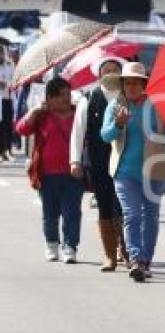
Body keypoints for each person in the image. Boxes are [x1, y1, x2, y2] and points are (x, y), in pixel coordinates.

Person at [101, 62, 165, 283]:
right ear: (121, 85)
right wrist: (118, 124)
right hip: (125, 171)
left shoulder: (158, 105)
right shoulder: (115, 106)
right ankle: (136, 259)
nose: (130, 87)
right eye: (126, 83)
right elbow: (105, 136)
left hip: (155, 169)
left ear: (144, 84)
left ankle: (146, 259)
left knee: (151, 216)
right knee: (132, 215)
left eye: (135, 83)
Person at [16, 77, 85, 263]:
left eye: (68, 94)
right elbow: (21, 129)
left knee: (72, 212)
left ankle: (70, 247)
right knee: (50, 214)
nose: (66, 98)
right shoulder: (41, 116)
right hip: (46, 175)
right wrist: (34, 110)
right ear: (49, 98)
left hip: (73, 173)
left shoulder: (79, 114)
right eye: (61, 95)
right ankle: (52, 244)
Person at [70, 56, 129, 272]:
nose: (111, 73)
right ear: (99, 75)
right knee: (105, 204)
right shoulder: (89, 98)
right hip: (99, 160)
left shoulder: (128, 97)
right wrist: (74, 160)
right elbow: (78, 132)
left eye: (115, 69)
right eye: (107, 70)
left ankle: (127, 250)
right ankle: (109, 254)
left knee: (125, 206)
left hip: (126, 159)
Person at [0, 46, 14, 161]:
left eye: (1, 54)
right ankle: (1, 151)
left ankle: (8, 150)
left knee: (7, 125)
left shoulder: (9, 65)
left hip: (6, 98)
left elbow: (14, 80)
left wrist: (6, 84)